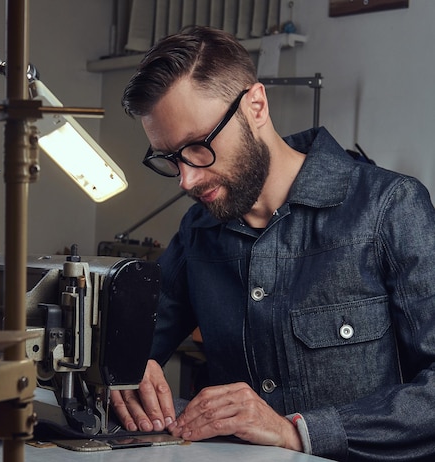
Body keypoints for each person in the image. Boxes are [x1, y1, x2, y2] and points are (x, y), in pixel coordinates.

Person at [109, 25, 435, 462]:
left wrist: (296, 431)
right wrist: (128, 366)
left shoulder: (390, 209)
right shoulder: (197, 231)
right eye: (169, 158)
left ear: (256, 105)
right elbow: (138, 340)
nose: (186, 179)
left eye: (198, 147)